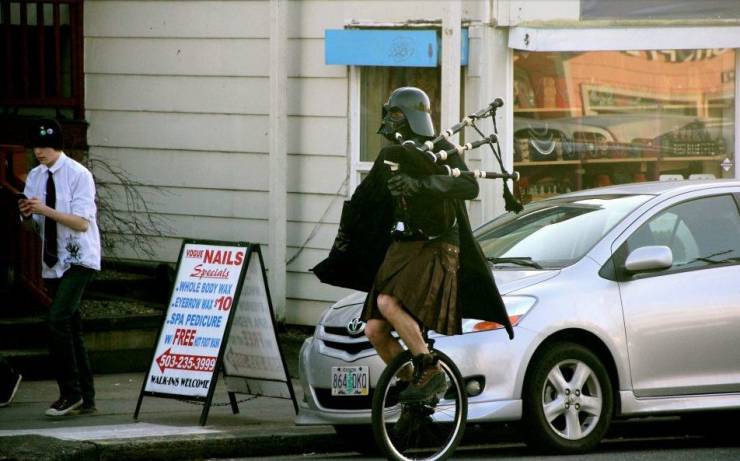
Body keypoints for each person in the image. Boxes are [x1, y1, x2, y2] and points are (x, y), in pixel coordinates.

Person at [314, 87, 513, 404]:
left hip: (436, 246)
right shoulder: (391, 155)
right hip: (402, 246)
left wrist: (420, 184)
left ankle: (430, 368)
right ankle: (417, 386)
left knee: (387, 303)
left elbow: (468, 185)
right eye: (388, 114)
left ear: (412, 115)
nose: (390, 121)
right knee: (374, 330)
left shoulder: (441, 148)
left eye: (396, 114)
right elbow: (366, 201)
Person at [18, 119, 101, 417]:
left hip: (79, 257)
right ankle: (87, 398)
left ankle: (70, 392)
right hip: (53, 260)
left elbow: (81, 222)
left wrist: (45, 210)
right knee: (71, 327)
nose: (40, 152)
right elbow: (32, 227)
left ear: (58, 146)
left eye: (46, 146)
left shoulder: (79, 175)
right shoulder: (35, 177)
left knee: (56, 321)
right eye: (36, 146)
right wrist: (27, 214)